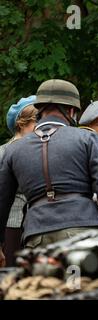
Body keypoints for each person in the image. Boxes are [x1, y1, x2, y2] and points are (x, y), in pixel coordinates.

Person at [0, 79, 98, 267]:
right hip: (82, 230)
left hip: (37, 235)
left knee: (47, 290)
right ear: (71, 111)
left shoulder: (14, 150)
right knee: (79, 288)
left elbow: (2, 200)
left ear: (40, 110)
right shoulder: (87, 138)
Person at [0, 96, 38, 266]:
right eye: (37, 121)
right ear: (22, 124)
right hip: (11, 225)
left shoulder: (40, 150)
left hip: (37, 224)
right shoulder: (3, 153)